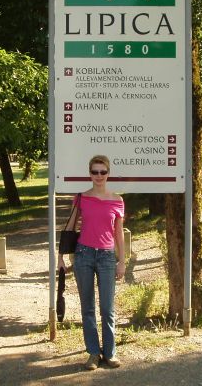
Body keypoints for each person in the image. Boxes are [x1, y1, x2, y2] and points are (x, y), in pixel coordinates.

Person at [58, 155, 126, 370]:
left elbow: (119, 233)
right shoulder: (81, 198)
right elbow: (69, 228)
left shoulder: (117, 200)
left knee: (107, 308)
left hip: (107, 257)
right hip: (84, 255)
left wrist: (122, 261)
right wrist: (60, 257)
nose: (99, 176)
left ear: (108, 173)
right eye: (95, 172)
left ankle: (110, 353)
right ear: (89, 174)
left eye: (102, 172)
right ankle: (94, 353)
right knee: (87, 308)